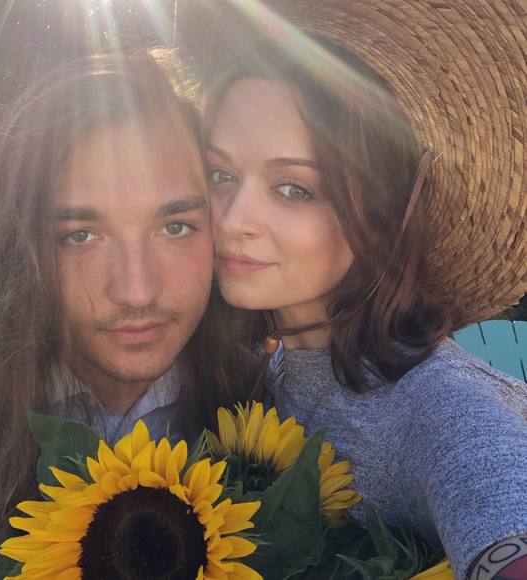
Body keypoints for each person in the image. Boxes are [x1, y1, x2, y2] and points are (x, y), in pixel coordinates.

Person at [177, 0, 527, 578]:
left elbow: (495, 489)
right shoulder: (266, 366)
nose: (233, 218)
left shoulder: (438, 406)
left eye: (294, 189)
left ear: (384, 218)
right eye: (221, 175)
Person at [0, 52, 253, 578]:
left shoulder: (270, 395)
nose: (136, 291)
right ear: (20, 248)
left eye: (175, 227)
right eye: (81, 236)